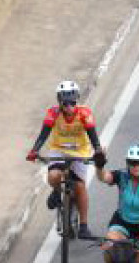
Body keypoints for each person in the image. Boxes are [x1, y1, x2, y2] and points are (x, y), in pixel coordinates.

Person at [27, 80, 107, 236]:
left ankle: (83, 226)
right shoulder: (53, 113)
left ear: (76, 99)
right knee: (54, 175)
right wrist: (34, 150)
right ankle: (57, 192)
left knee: (80, 186)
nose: (69, 106)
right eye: (65, 103)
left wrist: (97, 151)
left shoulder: (85, 113)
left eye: (72, 102)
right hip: (59, 150)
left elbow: (93, 135)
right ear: (60, 102)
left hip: (80, 151)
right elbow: (44, 134)